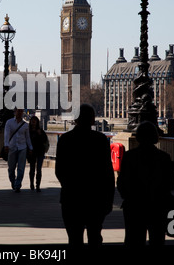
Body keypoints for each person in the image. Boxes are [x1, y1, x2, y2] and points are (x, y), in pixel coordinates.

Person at [55, 104, 114, 249]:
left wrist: (69, 186)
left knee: (74, 239)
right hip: (95, 198)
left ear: (75, 119)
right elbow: (108, 173)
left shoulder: (65, 139)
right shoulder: (101, 140)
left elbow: (59, 171)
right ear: (93, 120)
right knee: (95, 237)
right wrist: (109, 199)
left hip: (72, 198)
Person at [117, 121, 174, 246]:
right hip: (157, 205)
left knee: (133, 238)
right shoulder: (164, 157)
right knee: (157, 238)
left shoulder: (129, 157)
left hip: (134, 205)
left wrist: (127, 196)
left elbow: (122, 180)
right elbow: (170, 182)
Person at [4, 108, 32, 193]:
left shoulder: (25, 125)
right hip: (12, 147)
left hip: (22, 147)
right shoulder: (9, 122)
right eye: (18, 111)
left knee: (21, 168)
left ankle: (18, 185)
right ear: (15, 112)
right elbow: (6, 134)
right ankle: (13, 181)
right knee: (11, 168)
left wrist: (30, 147)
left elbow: (27, 137)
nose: (20, 113)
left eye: (21, 111)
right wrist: (6, 145)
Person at [28, 116, 49, 192]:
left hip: (40, 151)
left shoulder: (40, 131)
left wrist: (40, 134)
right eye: (32, 121)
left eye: (35, 121)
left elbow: (45, 140)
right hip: (32, 152)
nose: (33, 122)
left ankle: (38, 185)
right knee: (32, 169)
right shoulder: (28, 131)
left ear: (37, 122)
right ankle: (31, 184)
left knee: (39, 169)